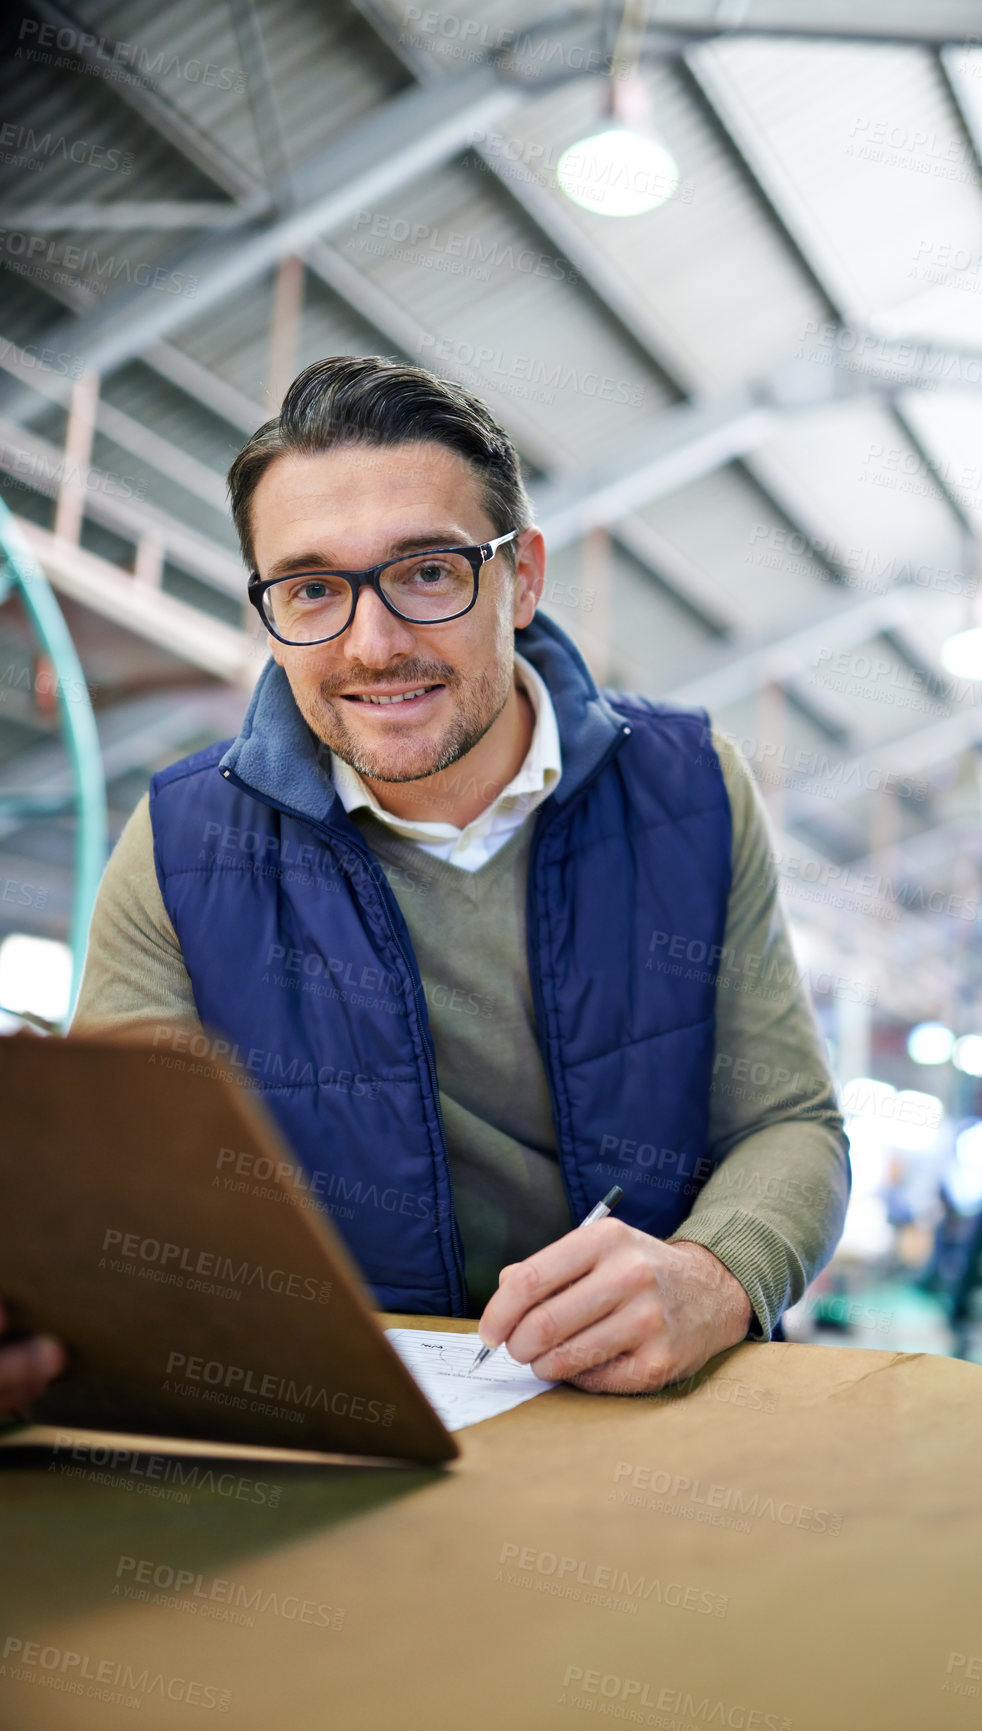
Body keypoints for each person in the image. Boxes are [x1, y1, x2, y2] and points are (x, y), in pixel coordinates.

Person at [0, 355, 848, 1419]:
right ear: (267, 611)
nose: (374, 643)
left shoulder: (691, 791)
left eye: (430, 572)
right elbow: (126, 1188)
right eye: (313, 588)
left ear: (522, 575)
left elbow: (790, 1120)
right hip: (334, 1430)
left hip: (640, 1416)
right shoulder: (182, 844)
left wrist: (720, 1275)